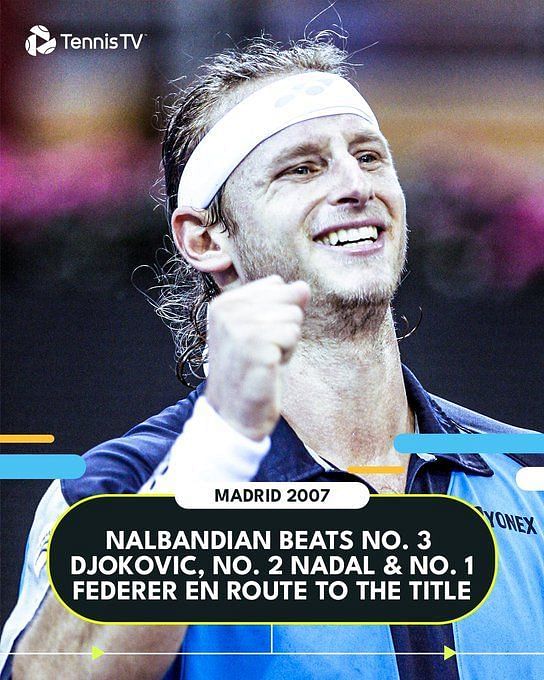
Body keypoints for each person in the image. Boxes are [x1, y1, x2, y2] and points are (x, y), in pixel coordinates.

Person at [1, 37, 543, 680]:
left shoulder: (524, 476)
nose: (355, 185)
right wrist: (220, 450)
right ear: (206, 238)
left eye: (369, 156)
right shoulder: (114, 489)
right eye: (302, 168)